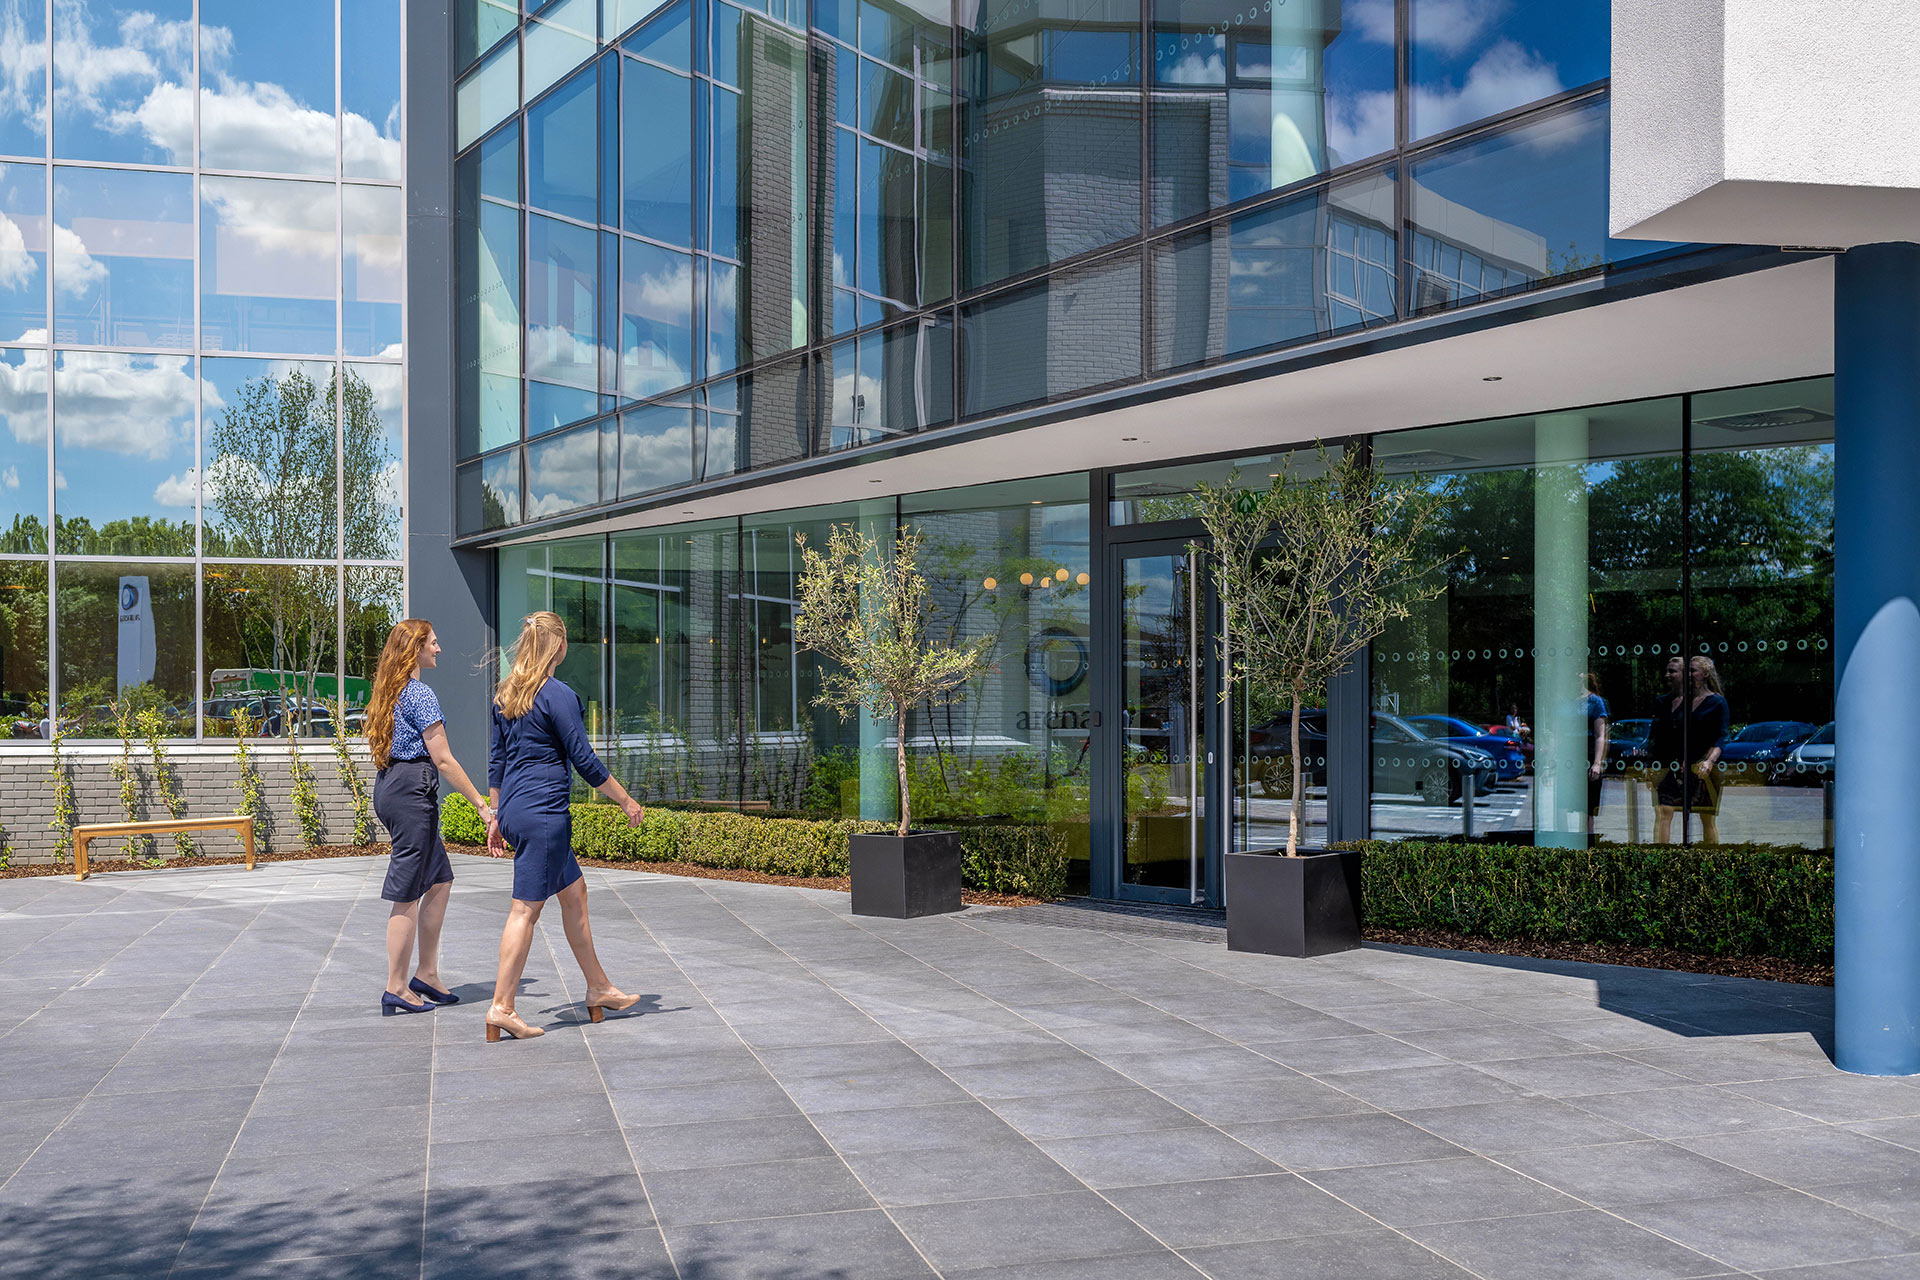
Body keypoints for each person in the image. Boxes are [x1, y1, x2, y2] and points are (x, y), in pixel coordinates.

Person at [482, 611, 648, 1042]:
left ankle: (598, 987)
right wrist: (627, 801)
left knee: (574, 894)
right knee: (525, 910)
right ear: (559, 646)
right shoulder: (558, 695)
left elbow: (497, 762)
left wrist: (497, 817)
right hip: (544, 815)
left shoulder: (505, 694)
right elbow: (585, 761)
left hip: (518, 811)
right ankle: (502, 1007)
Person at [366, 619, 497, 1016]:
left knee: (439, 880)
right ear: (416, 649)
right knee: (407, 891)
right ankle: (396, 986)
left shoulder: (390, 692)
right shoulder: (420, 694)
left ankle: (426, 974)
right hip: (411, 793)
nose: (439, 649)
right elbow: (442, 758)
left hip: (392, 786)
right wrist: (480, 803)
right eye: (434, 644)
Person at [1648, 654, 1729, 844]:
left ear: (1705, 673)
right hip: (1675, 768)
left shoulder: (1717, 702)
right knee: (1664, 811)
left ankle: (1710, 861)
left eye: (1692, 670)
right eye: (1688, 671)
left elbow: (1722, 736)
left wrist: (1709, 761)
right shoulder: (1680, 701)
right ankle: (1661, 860)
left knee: (1706, 818)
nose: (1689, 674)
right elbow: (1666, 736)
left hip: (1704, 768)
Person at [1583, 672, 1611, 825]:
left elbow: (1600, 735)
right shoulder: (1564, 701)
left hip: (1587, 757)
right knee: (1564, 806)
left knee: (1587, 810)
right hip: (1567, 758)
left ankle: (1588, 845)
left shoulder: (1595, 702)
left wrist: (1597, 763)